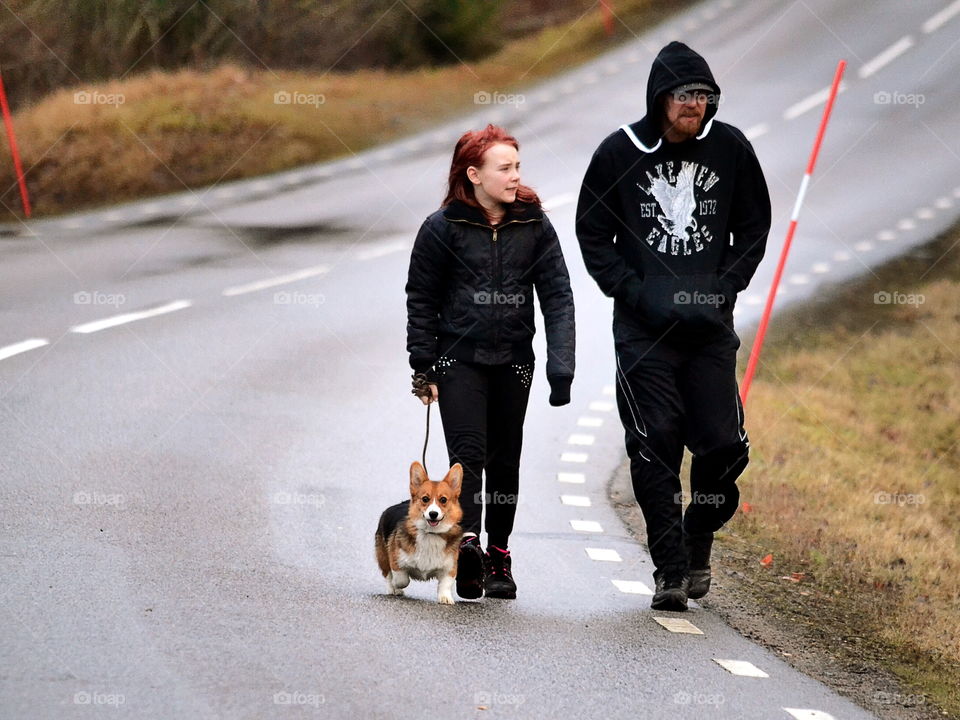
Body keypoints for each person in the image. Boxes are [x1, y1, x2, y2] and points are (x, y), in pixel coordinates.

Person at [575, 41, 771, 611]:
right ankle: (669, 571)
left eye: (704, 96)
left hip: (709, 331)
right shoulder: (619, 153)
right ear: (660, 98)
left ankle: (697, 535)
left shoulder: (731, 148)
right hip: (643, 335)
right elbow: (593, 233)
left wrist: (725, 286)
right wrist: (634, 293)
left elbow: (753, 228)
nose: (695, 105)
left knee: (724, 448)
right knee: (654, 444)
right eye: (686, 95)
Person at [406, 124, 576, 600]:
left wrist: (560, 367)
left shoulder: (534, 226)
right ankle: (469, 549)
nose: (516, 176)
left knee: (506, 463)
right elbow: (421, 298)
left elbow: (559, 297)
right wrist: (423, 365)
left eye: (518, 166)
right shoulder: (441, 229)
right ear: (475, 174)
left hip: (514, 363)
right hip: (458, 361)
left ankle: (499, 554)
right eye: (506, 168)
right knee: (470, 460)